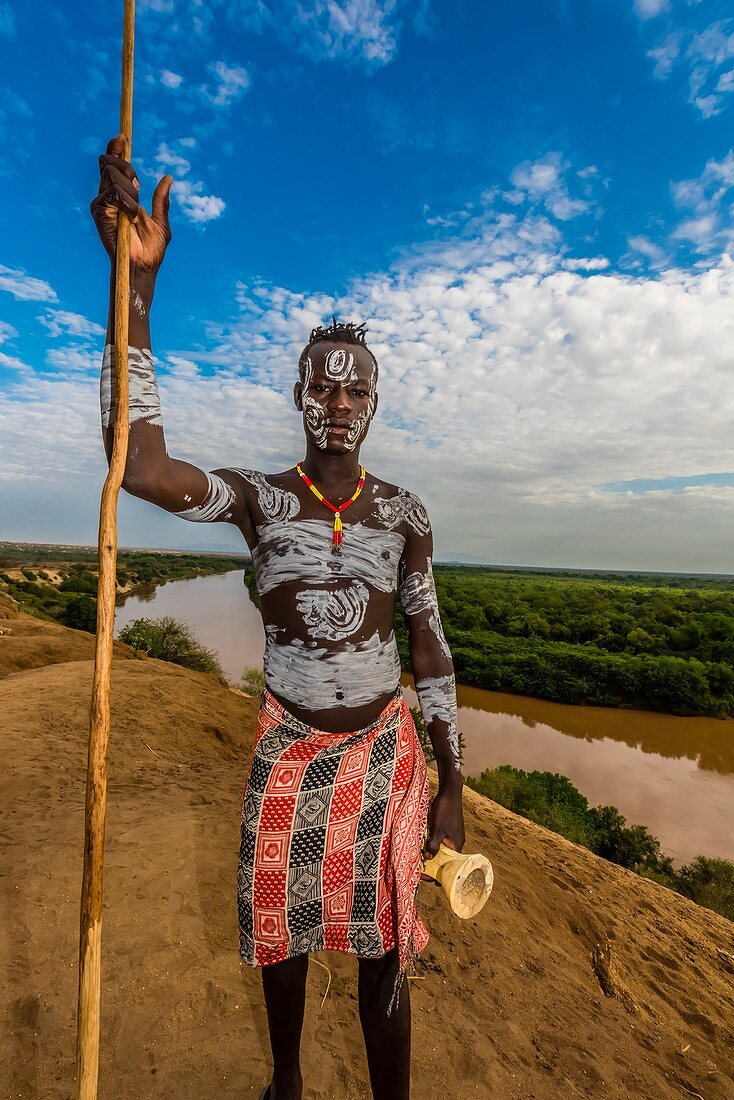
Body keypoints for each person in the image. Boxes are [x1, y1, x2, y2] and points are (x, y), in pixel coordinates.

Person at [91, 134, 465, 1100]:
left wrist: (453, 776)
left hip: (385, 755)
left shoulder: (404, 513)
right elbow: (139, 469)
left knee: (384, 947)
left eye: (357, 387)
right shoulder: (262, 499)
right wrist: (136, 293)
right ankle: (288, 1081)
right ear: (300, 394)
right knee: (281, 925)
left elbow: (427, 643)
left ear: (373, 404)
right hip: (289, 749)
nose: (339, 400)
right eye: (324, 384)